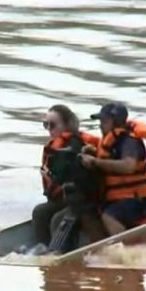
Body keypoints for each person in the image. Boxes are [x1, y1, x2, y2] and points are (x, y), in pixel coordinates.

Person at [80, 103, 146, 236]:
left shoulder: (129, 141)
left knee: (109, 216)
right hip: (117, 196)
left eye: (104, 121)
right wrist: (93, 152)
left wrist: (96, 162)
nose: (100, 125)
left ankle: (124, 250)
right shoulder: (110, 140)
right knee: (89, 210)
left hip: (139, 198)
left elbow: (128, 166)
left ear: (115, 121)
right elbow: (111, 156)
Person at [32, 104, 100, 246]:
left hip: (80, 198)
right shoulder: (55, 146)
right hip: (62, 198)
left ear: (66, 125)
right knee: (40, 211)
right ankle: (41, 250)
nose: (49, 129)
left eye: (53, 125)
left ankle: (60, 253)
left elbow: (79, 176)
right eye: (46, 125)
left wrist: (53, 176)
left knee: (58, 220)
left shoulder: (75, 145)